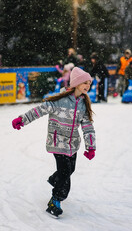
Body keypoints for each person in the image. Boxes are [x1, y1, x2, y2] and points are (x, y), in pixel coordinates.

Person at [12, 67, 96, 218]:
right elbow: (40, 110)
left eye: (89, 84)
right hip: (58, 143)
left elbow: (88, 126)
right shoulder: (59, 100)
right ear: (76, 83)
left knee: (70, 170)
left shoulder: (83, 104)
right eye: (85, 83)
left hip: (73, 145)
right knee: (65, 174)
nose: (87, 86)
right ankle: (54, 201)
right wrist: (22, 119)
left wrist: (91, 147)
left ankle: (54, 179)